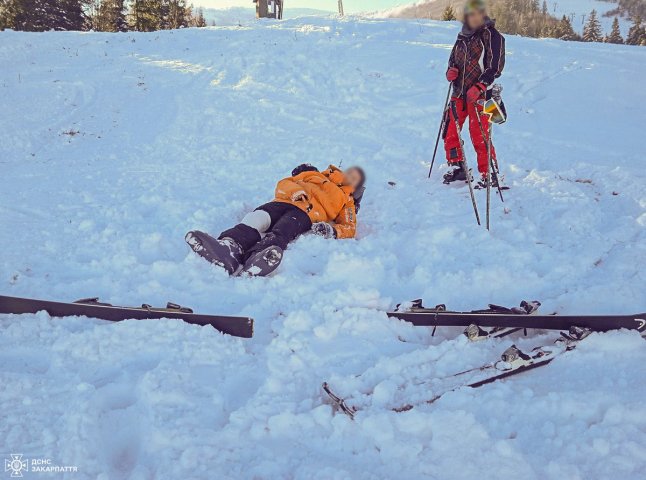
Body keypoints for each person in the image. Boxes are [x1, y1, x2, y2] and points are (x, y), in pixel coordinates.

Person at [186, 164, 366, 277]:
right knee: (257, 219)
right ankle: (230, 248)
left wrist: (332, 230)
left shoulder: (346, 199)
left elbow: (349, 227)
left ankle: (258, 257)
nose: (352, 175)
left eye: (357, 177)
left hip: (306, 214)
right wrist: (295, 190)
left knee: (284, 230)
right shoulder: (312, 175)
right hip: (282, 201)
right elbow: (284, 183)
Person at [442, 0, 506, 187]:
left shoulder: (492, 35)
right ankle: (457, 167)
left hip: (480, 94)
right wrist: (450, 72)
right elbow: (453, 60)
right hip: (458, 92)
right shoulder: (462, 36)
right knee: (450, 131)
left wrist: (480, 86)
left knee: (479, 134)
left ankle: (490, 174)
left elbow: (495, 67)